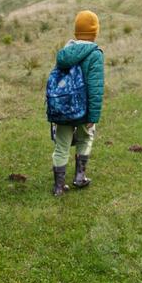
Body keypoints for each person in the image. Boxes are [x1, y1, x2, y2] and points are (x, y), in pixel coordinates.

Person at [49, 10, 105, 197]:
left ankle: (58, 187)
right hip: (83, 109)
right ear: (95, 32)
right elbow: (95, 88)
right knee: (85, 138)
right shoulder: (95, 54)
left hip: (63, 107)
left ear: (76, 31)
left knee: (62, 145)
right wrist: (93, 116)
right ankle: (79, 177)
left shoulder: (65, 52)